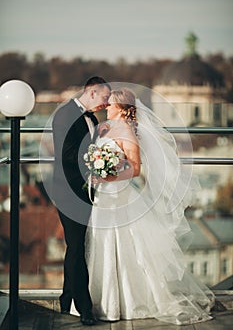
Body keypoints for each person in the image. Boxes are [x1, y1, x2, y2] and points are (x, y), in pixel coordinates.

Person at [85, 88, 215, 326]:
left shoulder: (128, 133)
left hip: (120, 196)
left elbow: (134, 169)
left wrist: (106, 176)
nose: (107, 108)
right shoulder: (110, 128)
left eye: (111, 105)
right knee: (102, 244)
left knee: (124, 247)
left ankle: (129, 302)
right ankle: (102, 301)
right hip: (104, 196)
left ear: (123, 109)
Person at [52, 76, 111, 326]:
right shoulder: (65, 114)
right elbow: (66, 156)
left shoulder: (93, 119)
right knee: (78, 248)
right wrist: (92, 173)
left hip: (84, 192)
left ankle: (66, 300)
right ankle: (85, 309)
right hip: (68, 192)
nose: (107, 103)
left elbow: (88, 149)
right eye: (105, 98)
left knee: (75, 248)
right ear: (92, 91)